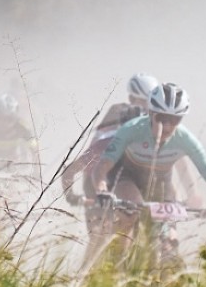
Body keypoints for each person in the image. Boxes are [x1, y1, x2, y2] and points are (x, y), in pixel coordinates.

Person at [90, 82, 206, 253]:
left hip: (161, 184)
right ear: (151, 113)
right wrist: (102, 191)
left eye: (175, 119)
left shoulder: (185, 139)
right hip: (127, 178)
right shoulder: (131, 129)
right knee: (132, 213)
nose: (168, 126)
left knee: (170, 241)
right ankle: (115, 267)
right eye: (162, 118)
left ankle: (167, 264)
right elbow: (102, 168)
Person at [62, 73, 158, 207]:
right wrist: (71, 197)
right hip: (94, 180)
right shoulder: (106, 145)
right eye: (145, 102)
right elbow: (69, 171)